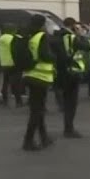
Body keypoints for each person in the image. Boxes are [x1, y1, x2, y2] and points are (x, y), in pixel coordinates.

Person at [21, 15, 56, 151]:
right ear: (42, 24)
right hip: (40, 76)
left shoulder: (30, 35)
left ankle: (43, 136)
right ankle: (28, 140)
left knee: (38, 109)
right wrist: (54, 57)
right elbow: (45, 55)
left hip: (30, 74)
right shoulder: (42, 36)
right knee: (37, 111)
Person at [57, 19, 86, 138]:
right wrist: (81, 35)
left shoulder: (56, 36)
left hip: (60, 72)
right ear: (73, 25)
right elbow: (86, 47)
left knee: (65, 99)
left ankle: (67, 126)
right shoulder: (72, 37)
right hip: (72, 72)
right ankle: (69, 128)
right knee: (71, 102)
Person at [0, 25, 23, 107]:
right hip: (12, 63)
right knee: (15, 83)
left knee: (5, 82)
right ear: (12, 30)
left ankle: (5, 100)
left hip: (4, 63)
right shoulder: (10, 38)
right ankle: (18, 101)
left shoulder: (1, 38)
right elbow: (17, 46)